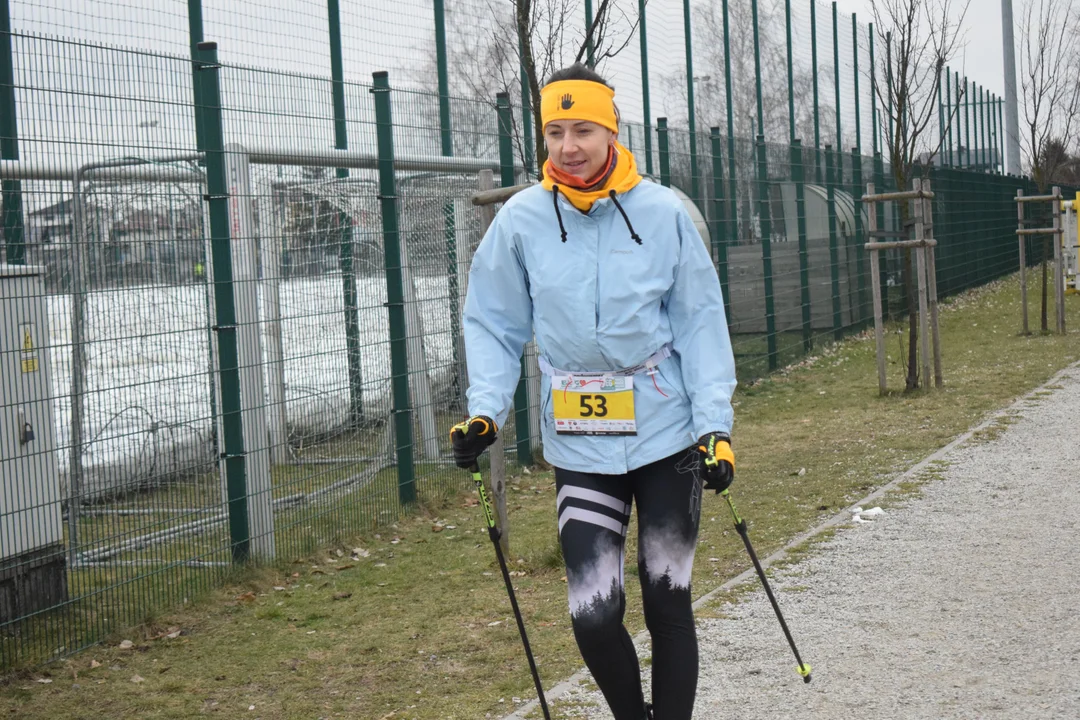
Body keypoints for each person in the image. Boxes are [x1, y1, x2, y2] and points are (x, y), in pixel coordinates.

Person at [450, 63, 736, 720]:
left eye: (582, 129)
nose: (568, 146)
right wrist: (485, 411)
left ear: (610, 131)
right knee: (593, 612)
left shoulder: (663, 214)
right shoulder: (521, 221)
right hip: (581, 441)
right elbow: (492, 321)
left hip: (668, 432)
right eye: (555, 131)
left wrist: (715, 425)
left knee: (666, 596)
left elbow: (701, 322)